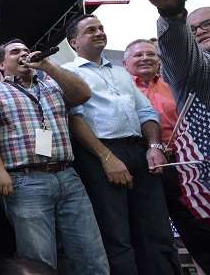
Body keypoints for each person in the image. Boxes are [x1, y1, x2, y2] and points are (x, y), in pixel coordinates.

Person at [0, 39, 108, 274]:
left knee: (91, 254)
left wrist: (48, 66)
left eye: (26, 50)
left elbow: (83, 95)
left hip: (67, 176)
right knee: (39, 260)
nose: (24, 54)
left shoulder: (52, 85)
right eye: (15, 52)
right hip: (25, 181)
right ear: (1, 65)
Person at [62, 14, 180, 275]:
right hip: (99, 154)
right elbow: (74, 118)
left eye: (101, 28)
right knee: (116, 234)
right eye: (90, 30)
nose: (99, 32)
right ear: (74, 42)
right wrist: (106, 158)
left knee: (156, 229)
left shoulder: (121, 72)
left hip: (138, 150)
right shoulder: (67, 73)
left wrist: (154, 147)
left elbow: (147, 113)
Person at [144, 0, 210, 273]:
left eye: (207, 24)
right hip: (187, 172)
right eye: (193, 29)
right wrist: (171, 13)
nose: (200, 31)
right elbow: (179, 53)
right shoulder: (198, 70)